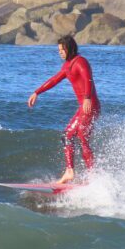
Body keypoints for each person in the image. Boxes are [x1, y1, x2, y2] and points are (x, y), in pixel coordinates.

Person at [27, 35, 101, 184]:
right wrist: (37, 92)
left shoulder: (80, 62)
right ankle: (85, 174)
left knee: (75, 136)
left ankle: (83, 174)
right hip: (84, 107)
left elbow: (88, 79)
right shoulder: (67, 65)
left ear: (70, 48)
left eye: (62, 49)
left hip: (89, 105)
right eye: (58, 50)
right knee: (75, 137)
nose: (60, 52)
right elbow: (54, 80)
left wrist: (87, 97)